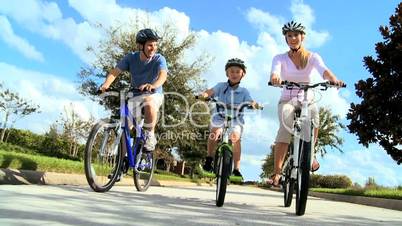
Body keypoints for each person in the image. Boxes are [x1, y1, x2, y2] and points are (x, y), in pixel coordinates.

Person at [268, 21, 344, 186]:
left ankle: (310, 155)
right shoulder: (280, 58)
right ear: (286, 38)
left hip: (306, 99)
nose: (293, 38)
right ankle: (277, 172)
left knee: (314, 115)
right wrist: (275, 77)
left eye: (296, 35)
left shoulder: (312, 57)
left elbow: (323, 70)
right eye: (289, 35)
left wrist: (333, 79)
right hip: (287, 99)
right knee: (286, 122)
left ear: (302, 37)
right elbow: (275, 70)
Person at [100, 28, 168, 152]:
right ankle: (121, 164)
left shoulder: (159, 59)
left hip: (154, 93)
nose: (153, 48)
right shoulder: (131, 58)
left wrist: (153, 85)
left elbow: (163, 76)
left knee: (149, 100)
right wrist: (105, 85)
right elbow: (115, 72)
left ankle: (149, 135)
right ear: (140, 46)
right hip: (135, 95)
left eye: (155, 45)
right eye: (150, 45)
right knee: (125, 128)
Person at [200, 58, 260, 178]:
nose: (234, 74)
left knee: (235, 138)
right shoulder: (221, 86)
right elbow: (210, 91)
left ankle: (236, 169)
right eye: (231, 71)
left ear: (242, 74)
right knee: (215, 132)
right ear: (227, 73)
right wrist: (204, 95)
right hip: (219, 117)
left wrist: (254, 104)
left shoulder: (244, 91)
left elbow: (250, 100)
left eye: (238, 71)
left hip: (236, 119)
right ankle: (208, 160)